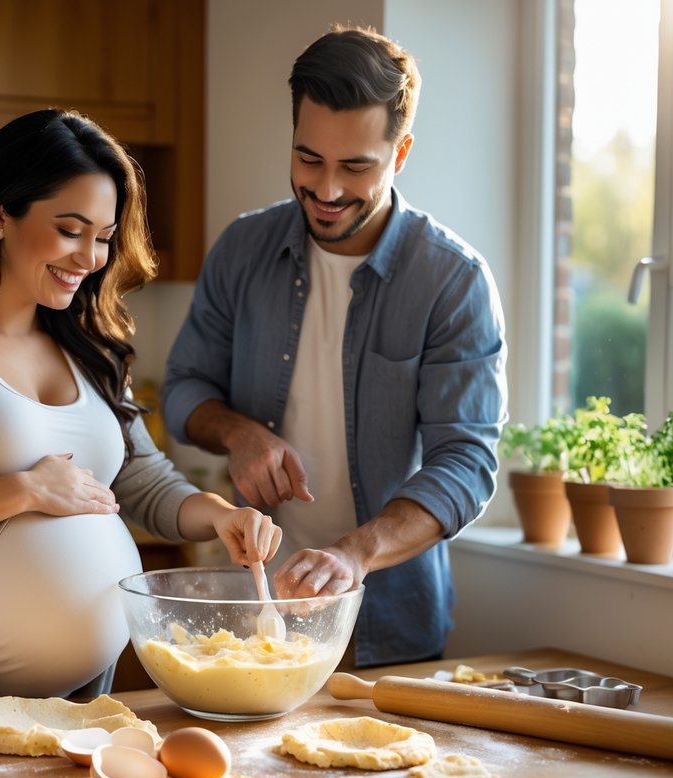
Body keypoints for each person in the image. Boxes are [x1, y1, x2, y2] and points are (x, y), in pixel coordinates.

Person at [0, 108, 282, 714]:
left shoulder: (90, 343)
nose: (90, 257)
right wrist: (22, 491)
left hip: (66, 716)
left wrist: (221, 516)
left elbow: (142, 481)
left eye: (104, 236)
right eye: (69, 229)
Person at [163, 25, 507, 669]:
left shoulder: (453, 280)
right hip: (254, 606)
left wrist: (355, 555)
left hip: (391, 621)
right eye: (308, 159)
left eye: (355, 166)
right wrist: (239, 433)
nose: (325, 190)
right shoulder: (243, 249)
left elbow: (466, 463)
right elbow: (184, 386)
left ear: (400, 153)